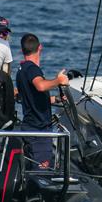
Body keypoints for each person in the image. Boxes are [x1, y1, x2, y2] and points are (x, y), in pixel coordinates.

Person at [15, 33, 69, 168]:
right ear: (40, 48)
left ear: (22, 50)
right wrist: (59, 81)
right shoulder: (32, 69)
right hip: (38, 132)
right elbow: (40, 86)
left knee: (29, 170)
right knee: (42, 174)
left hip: (28, 128)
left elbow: (31, 97)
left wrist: (56, 99)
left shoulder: (21, 70)